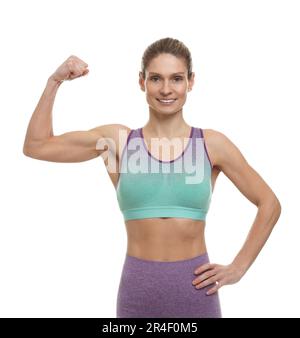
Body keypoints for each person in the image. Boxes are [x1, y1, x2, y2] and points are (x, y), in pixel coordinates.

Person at [23, 37, 281, 318]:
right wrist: (54, 81)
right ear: (141, 81)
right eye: (156, 78)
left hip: (195, 292)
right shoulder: (117, 142)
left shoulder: (211, 144)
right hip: (138, 293)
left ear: (191, 82)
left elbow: (269, 203)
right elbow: (37, 146)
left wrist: (239, 267)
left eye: (177, 79)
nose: (166, 89)